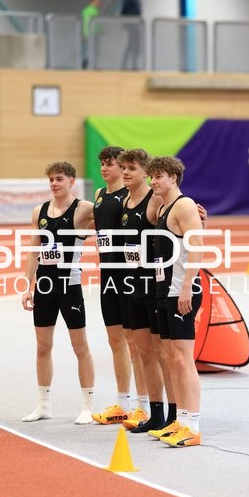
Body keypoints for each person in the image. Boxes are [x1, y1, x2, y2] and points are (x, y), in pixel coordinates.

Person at [21, 161, 97, 425]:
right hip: (45, 285)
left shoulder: (83, 209)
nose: (54, 184)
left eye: (59, 179)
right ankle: (43, 404)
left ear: (72, 182)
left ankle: (87, 406)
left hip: (70, 285)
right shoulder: (39, 212)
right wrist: (27, 286)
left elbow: (112, 216)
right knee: (43, 346)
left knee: (80, 346)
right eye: (51, 179)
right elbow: (33, 251)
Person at [116, 148, 179, 434]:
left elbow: (178, 218)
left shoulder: (155, 201)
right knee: (143, 352)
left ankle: (174, 413)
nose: (125, 173)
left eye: (131, 168)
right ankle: (155, 413)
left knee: (163, 352)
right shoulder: (124, 201)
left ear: (144, 172)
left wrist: (202, 220)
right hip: (131, 285)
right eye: (123, 168)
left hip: (153, 284)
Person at [90, 146, 149, 429]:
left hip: (129, 276)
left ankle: (144, 405)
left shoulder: (130, 196)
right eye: (102, 163)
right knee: (115, 342)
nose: (105, 169)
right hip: (107, 276)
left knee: (136, 344)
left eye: (110, 164)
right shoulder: (100, 196)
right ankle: (123, 403)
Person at [147, 156, 204, 448]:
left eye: (158, 177)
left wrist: (187, 288)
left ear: (173, 177)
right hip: (165, 290)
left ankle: (192, 425)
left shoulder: (183, 205)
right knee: (171, 358)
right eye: (151, 177)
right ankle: (180, 420)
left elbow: (197, 247)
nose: (153, 182)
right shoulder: (163, 207)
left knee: (183, 359)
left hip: (181, 291)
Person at [120, 0, 142, 71]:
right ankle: (128, 65)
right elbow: (123, 10)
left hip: (134, 23)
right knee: (132, 45)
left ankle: (129, 64)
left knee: (133, 45)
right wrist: (125, 23)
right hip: (131, 23)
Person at [81, 0, 101, 68]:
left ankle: (88, 65)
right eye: (98, 1)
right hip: (92, 33)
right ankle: (87, 65)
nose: (99, 3)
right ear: (94, 1)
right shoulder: (92, 10)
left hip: (88, 33)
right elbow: (94, 23)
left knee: (88, 50)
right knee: (91, 50)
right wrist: (100, 29)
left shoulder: (86, 10)